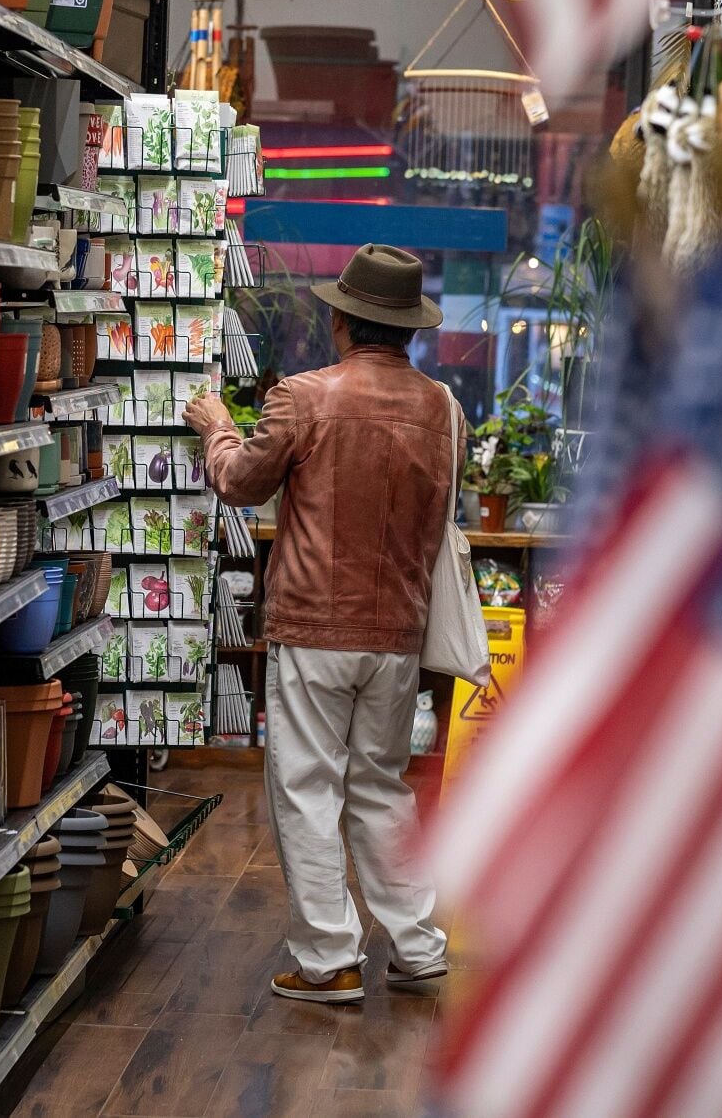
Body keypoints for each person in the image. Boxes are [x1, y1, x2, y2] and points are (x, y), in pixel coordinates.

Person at [183, 243, 457, 1004]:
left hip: (313, 624)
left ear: (342, 320)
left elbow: (240, 482)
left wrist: (215, 425)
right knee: (381, 785)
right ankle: (418, 944)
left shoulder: (303, 396)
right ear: (406, 327)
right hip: (399, 627)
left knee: (307, 787)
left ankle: (329, 958)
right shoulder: (443, 406)